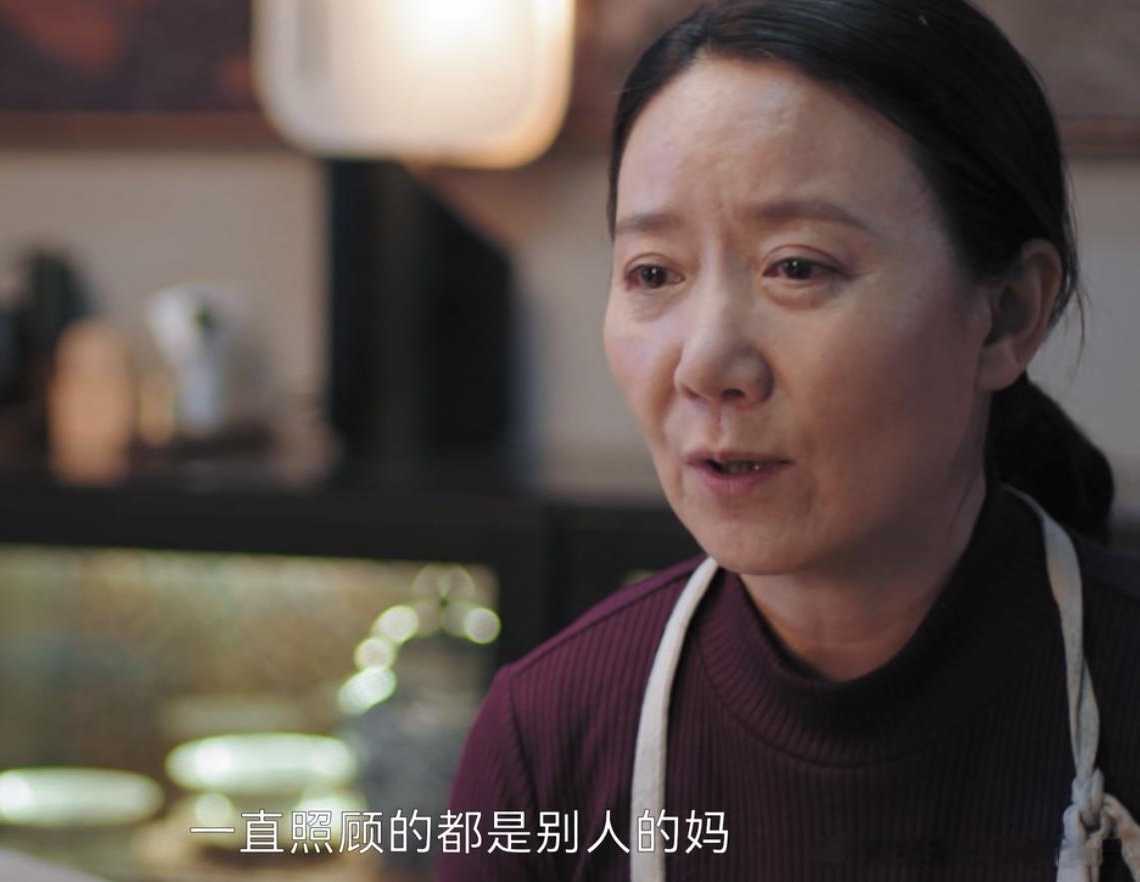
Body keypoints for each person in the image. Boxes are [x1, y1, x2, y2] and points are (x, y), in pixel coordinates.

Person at [437, 1, 1140, 879]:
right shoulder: (547, 736)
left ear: (1005, 315)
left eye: (797, 267)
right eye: (652, 273)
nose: (706, 364)